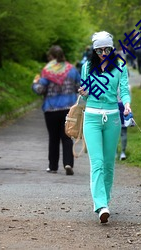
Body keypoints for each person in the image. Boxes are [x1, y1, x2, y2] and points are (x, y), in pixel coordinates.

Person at [78, 31, 131, 223]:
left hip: (113, 118)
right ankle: (100, 204)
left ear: (112, 48)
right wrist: (83, 92)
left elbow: (124, 90)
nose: (103, 53)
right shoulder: (86, 67)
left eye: (106, 49)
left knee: (109, 164)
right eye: (99, 50)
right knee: (97, 163)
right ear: (94, 50)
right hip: (91, 117)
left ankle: (105, 201)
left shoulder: (119, 67)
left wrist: (126, 104)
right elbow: (84, 95)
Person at [32, 45, 80, 175]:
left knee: (53, 138)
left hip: (51, 109)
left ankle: (53, 167)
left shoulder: (47, 71)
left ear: (51, 57)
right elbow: (79, 87)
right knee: (67, 137)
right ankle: (68, 163)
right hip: (68, 109)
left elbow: (40, 90)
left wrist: (35, 83)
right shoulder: (72, 70)